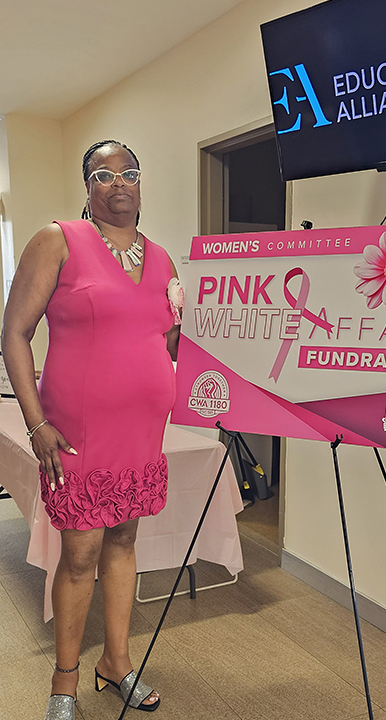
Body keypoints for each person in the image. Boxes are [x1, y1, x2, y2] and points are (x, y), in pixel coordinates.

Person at [1, 140, 182, 719]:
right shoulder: (58, 240)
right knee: (80, 554)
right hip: (77, 433)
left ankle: (116, 662)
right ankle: (64, 681)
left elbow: (166, 342)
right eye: (104, 175)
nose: (119, 182)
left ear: (141, 184)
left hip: (141, 433)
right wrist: (35, 422)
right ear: (87, 187)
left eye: (130, 172)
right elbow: (14, 333)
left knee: (124, 539)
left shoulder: (163, 260)